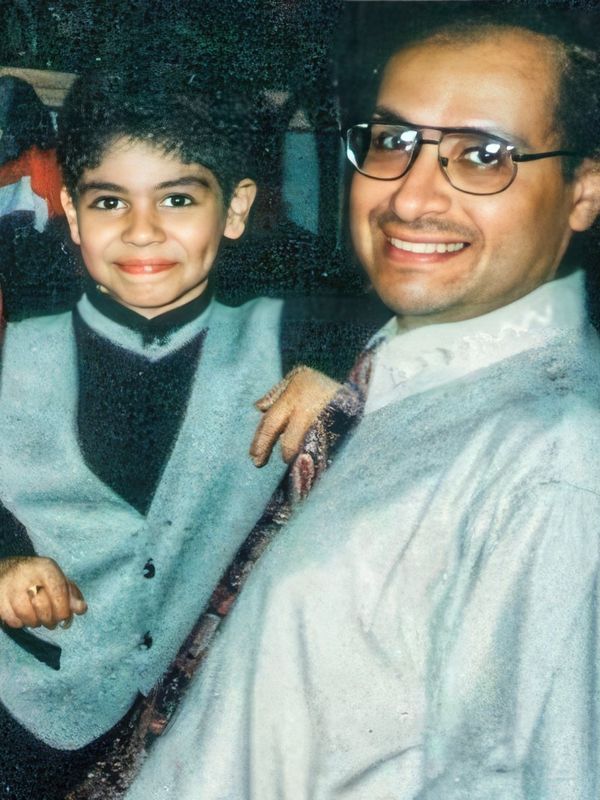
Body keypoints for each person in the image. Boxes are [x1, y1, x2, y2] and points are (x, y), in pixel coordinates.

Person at [125, 12, 600, 800]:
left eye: (482, 156)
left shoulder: (554, 460)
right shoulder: (386, 375)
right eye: (391, 141)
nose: (409, 197)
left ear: (584, 191)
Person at [0, 68, 339, 799]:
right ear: (72, 212)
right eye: (109, 201)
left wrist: (339, 371)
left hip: (204, 720)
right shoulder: (12, 344)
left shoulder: (288, 335)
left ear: (235, 208)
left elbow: (411, 314)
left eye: (179, 199)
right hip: (27, 711)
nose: (142, 230)